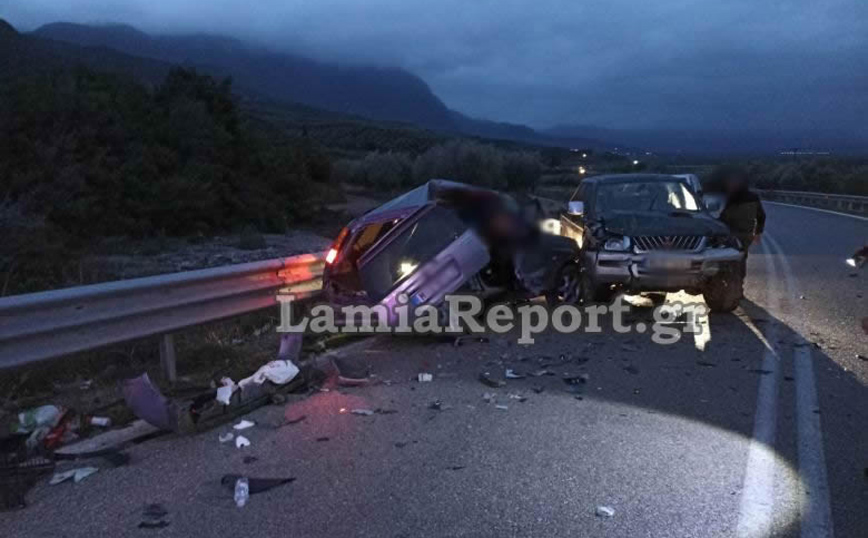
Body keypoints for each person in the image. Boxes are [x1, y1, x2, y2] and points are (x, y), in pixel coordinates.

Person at [712, 166, 766, 274]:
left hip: (732, 234)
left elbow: (722, 216)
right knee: (740, 256)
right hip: (744, 234)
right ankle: (737, 280)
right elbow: (761, 216)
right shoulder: (752, 197)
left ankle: (731, 279)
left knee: (728, 256)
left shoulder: (728, 198)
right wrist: (758, 233)